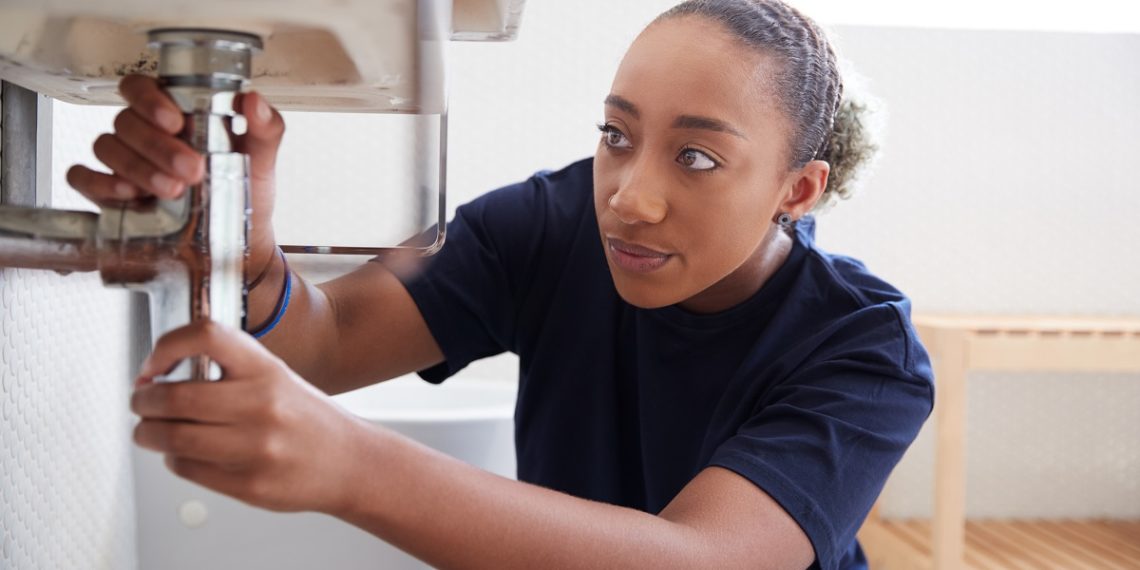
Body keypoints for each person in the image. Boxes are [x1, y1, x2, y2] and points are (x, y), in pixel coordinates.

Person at [67, 1, 934, 568]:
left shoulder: (864, 351)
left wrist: (351, 462)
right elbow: (324, 344)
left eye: (697, 156)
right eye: (616, 134)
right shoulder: (553, 226)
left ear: (797, 189)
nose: (629, 198)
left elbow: (701, 559)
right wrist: (242, 248)